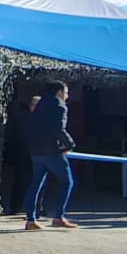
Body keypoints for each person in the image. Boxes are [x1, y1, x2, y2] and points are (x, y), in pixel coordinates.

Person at [24, 81, 78, 230]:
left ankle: (30, 220)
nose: (67, 96)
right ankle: (58, 217)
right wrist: (69, 144)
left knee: (35, 184)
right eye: (66, 92)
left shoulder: (39, 105)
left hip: (36, 151)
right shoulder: (60, 105)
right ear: (59, 92)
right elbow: (58, 129)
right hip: (52, 151)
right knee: (66, 182)